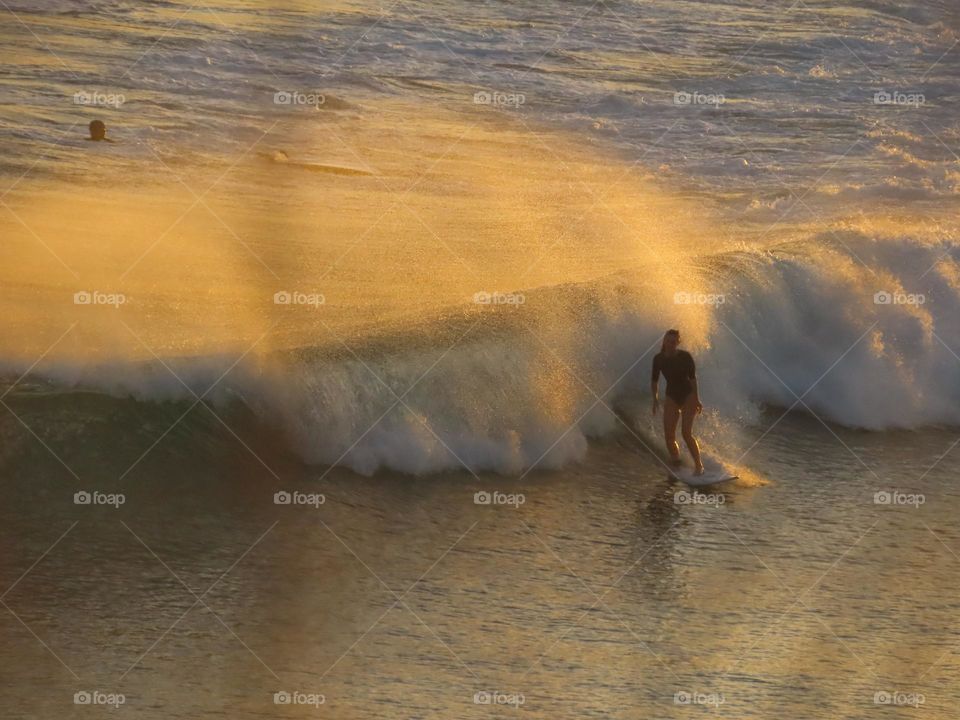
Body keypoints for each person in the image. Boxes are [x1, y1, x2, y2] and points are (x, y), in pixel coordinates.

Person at [651, 329, 704, 474]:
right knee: (669, 436)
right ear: (664, 341)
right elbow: (654, 381)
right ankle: (676, 462)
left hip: (688, 395)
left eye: (673, 342)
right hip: (671, 396)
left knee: (686, 433)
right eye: (668, 341)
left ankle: (699, 465)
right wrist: (655, 399)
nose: (670, 344)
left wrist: (697, 399)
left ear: (678, 343)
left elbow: (692, 379)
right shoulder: (658, 359)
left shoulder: (685, 357)